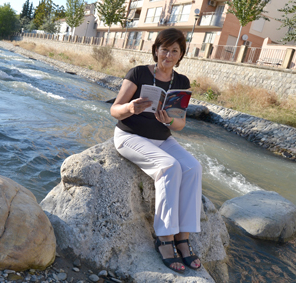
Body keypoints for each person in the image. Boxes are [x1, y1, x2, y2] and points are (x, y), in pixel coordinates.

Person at [110, 28, 202, 273]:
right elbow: (115, 110)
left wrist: (168, 120)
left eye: (175, 51)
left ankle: (183, 237)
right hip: (130, 136)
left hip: (162, 138)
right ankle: (165, 238)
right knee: (169, 166)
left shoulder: (181, 83)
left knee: (193, 167)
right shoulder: (138, 73)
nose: (168, 55)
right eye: (165, 49)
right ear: (156, 50)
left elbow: (180, 124)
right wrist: (131, 107)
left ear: (181, 55)